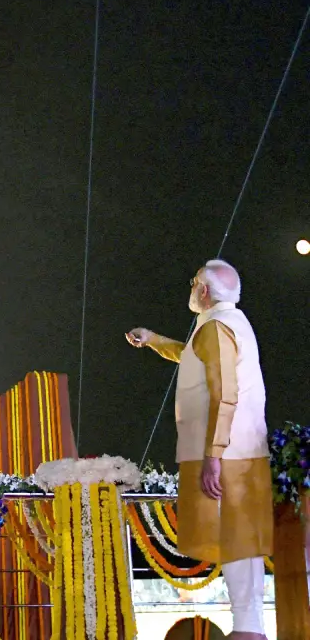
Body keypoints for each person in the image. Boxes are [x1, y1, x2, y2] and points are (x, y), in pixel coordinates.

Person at [127, 259, 272, 640]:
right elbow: (193, 357)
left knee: (238, 538)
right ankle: (249, 624)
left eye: (194, 283)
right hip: (236, 450)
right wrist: (155, 340)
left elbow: (225, 394)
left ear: (203, 291)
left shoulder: (218, 327)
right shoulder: (219, 325)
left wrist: (214, 456)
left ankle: (248, 627)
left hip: (228, 453)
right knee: (238, 537)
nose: (191, 288)